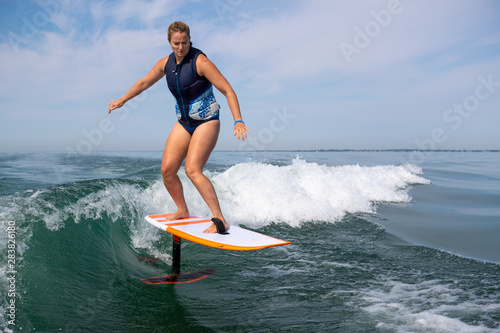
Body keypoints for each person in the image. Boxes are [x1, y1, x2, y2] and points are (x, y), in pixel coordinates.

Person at [108, 21, 250, 234]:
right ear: (169, 42)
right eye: (176, 43)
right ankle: (182, 210)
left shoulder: (201, 61)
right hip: (184, 123)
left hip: (207, 121)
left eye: (184, 42)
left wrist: (238, 119)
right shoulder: (165, 64)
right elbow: (144, 82)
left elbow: (228, 90)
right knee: (167, 170)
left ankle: (220, 219)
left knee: (192, 169)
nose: (181, 47)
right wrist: (123, 99)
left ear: (190, 40)